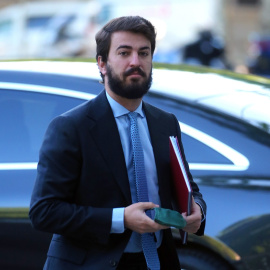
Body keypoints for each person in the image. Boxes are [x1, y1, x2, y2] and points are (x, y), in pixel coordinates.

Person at [29, 16, 206, 270]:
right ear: (102, 63)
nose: (135, 61)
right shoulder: (71, 127)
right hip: (92, 263)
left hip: (156, 260)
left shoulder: (166, 123)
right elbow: (44, 211)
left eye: (143, 53)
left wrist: (197, 208)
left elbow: (189, 188)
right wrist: (120, 219)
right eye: (124, 53)